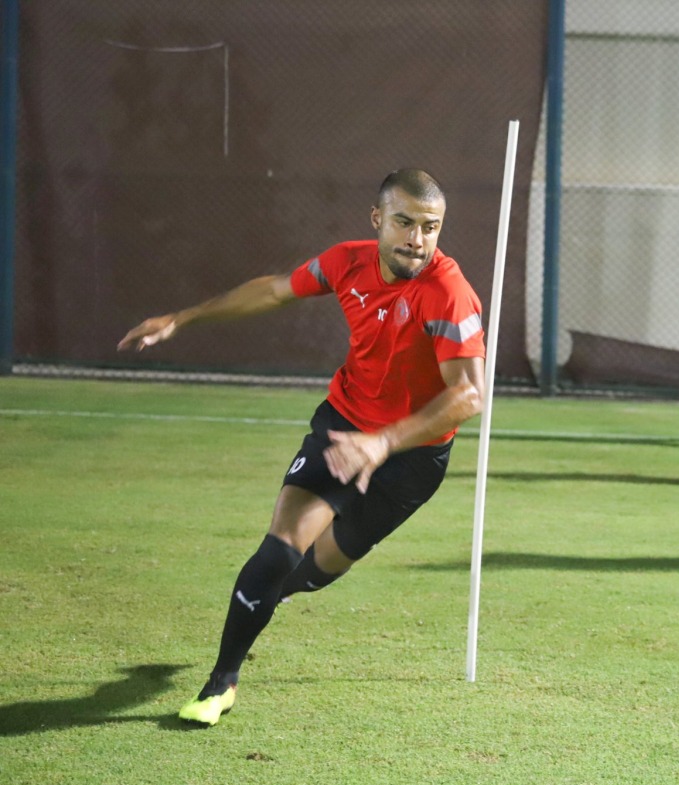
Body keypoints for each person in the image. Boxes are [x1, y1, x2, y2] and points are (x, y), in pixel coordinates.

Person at [117, 168, 487, 724]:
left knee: (317, 568)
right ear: (377, 220)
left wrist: (383, 444)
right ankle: (220, 684)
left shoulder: (448, 293)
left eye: (430, 227)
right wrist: (183, 318)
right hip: (344, 426)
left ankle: (279, 592)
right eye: (404, 222)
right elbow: (273, 290)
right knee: (279, 547)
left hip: (412, 458)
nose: (416, 238)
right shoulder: (347, 262)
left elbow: (468, 396)